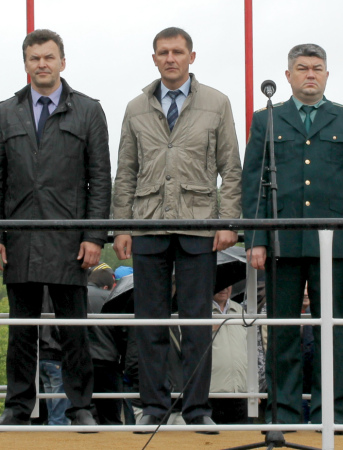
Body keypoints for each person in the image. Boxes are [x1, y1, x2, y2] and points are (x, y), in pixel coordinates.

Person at [111, 27, 242, 431]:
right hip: (148, 223)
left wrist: (229, 221)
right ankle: (152, 405)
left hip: (199, 225)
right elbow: (126, 172)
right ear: (154, 59)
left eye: (178, 51)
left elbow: (231, 169)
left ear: (192, 56)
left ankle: (197, 408)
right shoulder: (136, 107)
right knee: (149, 321)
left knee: (196, 322)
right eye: (163, 52)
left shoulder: (217, 103)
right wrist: (120, 226)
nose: (171, 58)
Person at [242, 43, 343, 426]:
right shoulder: (265, 119)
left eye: (317, 68)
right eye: (302, 68)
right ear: (288, 76)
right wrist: (256, 239)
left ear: (328, 75)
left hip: (332, 245)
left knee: (330, 335)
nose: (310, 74)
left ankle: (329, 415)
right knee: (282, 334)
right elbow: (253, 183)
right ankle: (282, 414)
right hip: (281, 242)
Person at [0, 29, 111, 428]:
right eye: (34, 58)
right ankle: (17, 407)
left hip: (70, 240)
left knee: (73, 329)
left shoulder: (88, 110)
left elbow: (100, 179)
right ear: (25, 64)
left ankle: (80, 407)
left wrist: (94, 236)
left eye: (49, 57)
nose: (42, 64)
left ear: (62, 62)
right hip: (19, 238)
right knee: (21, 331)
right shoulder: (7, 111)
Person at [87, 265, 126, 425]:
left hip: (81, 362)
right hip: (108, 361)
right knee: (111, 418)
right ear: (106, 285)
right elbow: (123, 333)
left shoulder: (76, 297)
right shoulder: (111, 298)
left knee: (85, 417)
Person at [209, 285, 249, 425]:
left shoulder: (240, 310)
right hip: (210, 393)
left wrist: (254, 387)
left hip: (241, 392)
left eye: (229, 284)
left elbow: (251, 349)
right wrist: (204, 332)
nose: (224, 288)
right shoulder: (198, 310)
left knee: (242, 442)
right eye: (220, 283)